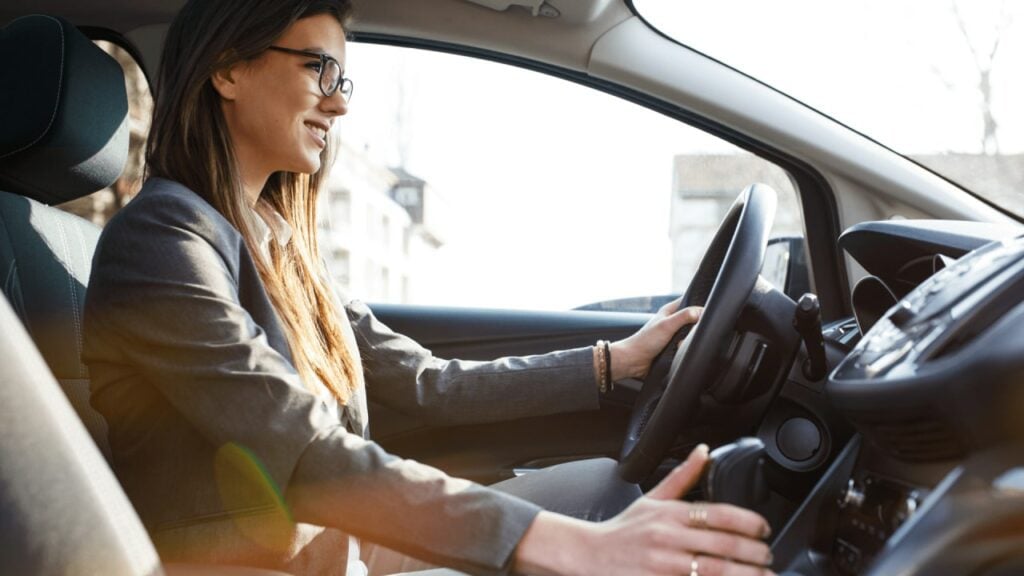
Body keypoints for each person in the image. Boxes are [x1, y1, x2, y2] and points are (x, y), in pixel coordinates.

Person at [82, 1, 775, 575]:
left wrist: (610, 362)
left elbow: (427, 382)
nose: (338, 103)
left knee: (605, 484)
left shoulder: (279, 241)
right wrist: (572, 547)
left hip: (339, 550)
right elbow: (303, 446)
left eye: (343, 81)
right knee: (603, 526)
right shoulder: (161, 241)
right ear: (228, 68)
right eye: (319, 68)